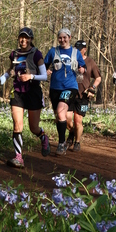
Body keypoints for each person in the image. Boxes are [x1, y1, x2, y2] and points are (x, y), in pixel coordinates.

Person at [0, 27, 50, 167]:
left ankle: (43, 136)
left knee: (33, 127)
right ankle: (18, 157)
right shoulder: (14, 54)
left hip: (33, 92)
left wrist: (31, 76)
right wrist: (1, 79)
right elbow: (10, 71)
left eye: (26, 37)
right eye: (21, 37)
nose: (23, 40)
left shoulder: (36, 54)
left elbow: (44, 76)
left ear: (31, 39)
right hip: (18, 92)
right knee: (17, 125)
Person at [44, 28, 86, 156]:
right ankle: (70, 133)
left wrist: (82, 70)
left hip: (70, 86)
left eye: (65, 37)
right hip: (55, 88)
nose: (62, 40)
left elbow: (83, 67)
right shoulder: (53, 51)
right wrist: (45, 71)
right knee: (60, 117)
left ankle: (61, 144)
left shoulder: (76, 52)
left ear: (69, 37)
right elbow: (44, 66)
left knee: (61, 112)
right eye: (60, 38)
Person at [66, 40, 101, 152]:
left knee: (78, 120)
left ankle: (77, 142)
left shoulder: (90, 62)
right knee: (66, 119)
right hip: (69, 93)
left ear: (84, 50)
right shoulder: (69, 60)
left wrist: (92, 88)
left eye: (79, 49)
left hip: (83, 95)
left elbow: (98, 78)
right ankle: (72, 132)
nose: (76, 51)